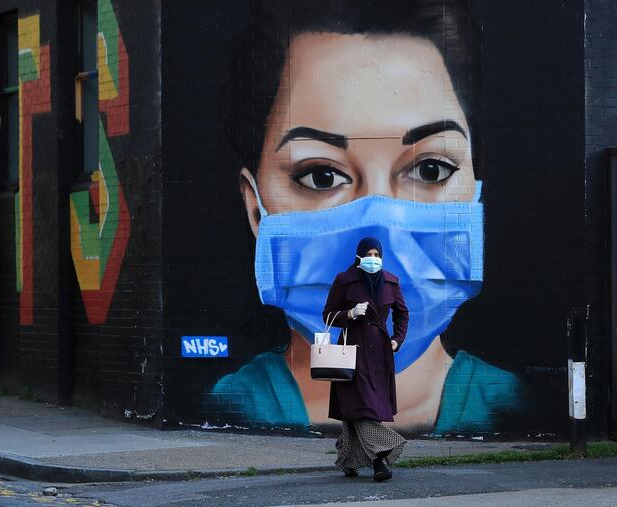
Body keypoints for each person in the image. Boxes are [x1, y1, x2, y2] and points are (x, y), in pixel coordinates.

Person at [211, 0, 522, 434]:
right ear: (256, 208)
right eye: (321, 175)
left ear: (475, 191)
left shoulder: (510, 402)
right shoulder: (232, 405)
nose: (379, 226)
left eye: (429, 169)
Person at [322, 237, 407, 481]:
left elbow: (403, 314)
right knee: (362, 406)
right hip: (352, 350)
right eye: (369, 254)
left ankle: (348, 460)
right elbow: (327, 315)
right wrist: (349, 313)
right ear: (359, 256)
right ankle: (380, 459)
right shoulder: (344, 280)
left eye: (377, 255)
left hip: (380, 352)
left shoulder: (391, 281)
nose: (374, 259)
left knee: (356, 409)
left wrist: (396, 339)